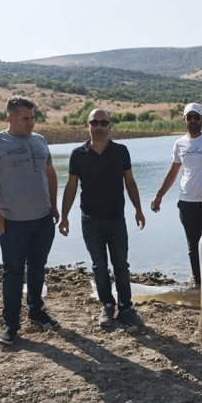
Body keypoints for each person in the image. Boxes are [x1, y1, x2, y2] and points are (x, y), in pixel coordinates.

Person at [0, 96, 61, 346]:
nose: (31, 123)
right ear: (10, 118)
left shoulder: (40, 141)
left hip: (43, 219)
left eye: (33, 117)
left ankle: (35, 310)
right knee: (13, 273)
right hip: (12, 222)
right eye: (26, 118)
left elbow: (50, 173)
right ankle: (11, 325)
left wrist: (54, 206)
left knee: (37, 268)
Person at [59, 108, 146, 328]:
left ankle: (126, 308)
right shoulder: (78, 154)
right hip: (90, 220)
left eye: (103, 123)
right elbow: (71, 186)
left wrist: (138, 209)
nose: (99, 127)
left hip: (117, 218)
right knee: (99, 265)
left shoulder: (121, 151)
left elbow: (130, 182)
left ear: (109, 125)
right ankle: (107, 306)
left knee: (121, 266)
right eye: (94, 122)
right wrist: (64, 216)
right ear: (87, 125)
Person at [150, 103, 202, 286]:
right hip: (186, 203)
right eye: (189, 117)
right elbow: (173, 172)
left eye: (196, 117)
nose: (192, 120)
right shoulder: (179, 144)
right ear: (184, 120)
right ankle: (198, 281)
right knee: (193, 245)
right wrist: (159, 195)